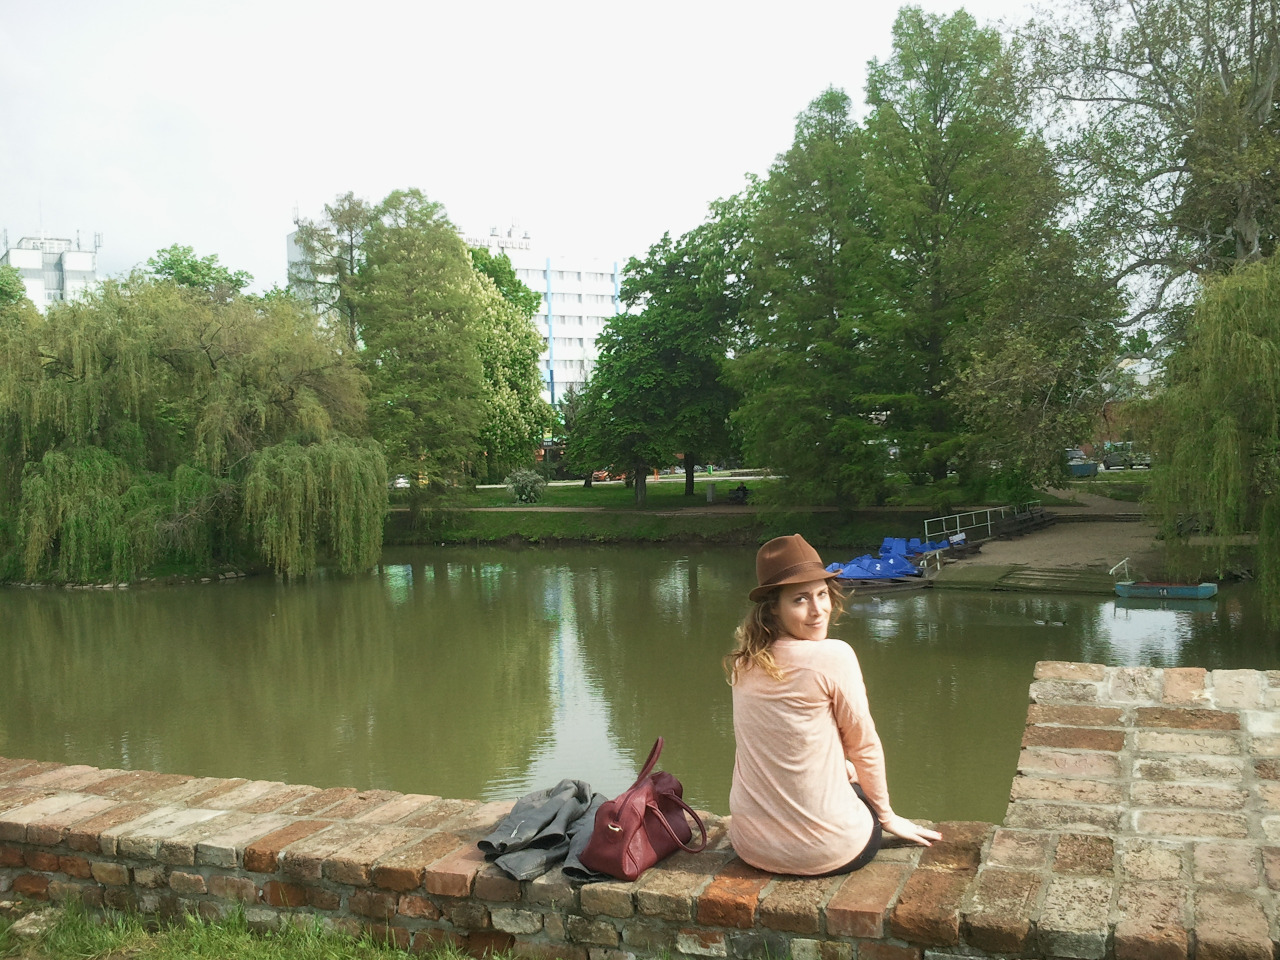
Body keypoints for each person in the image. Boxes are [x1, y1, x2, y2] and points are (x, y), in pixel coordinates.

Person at [725, 534, 941, 875]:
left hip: (751, 845)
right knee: (859, 789)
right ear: (773, 608)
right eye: (800, 599)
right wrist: (887, 817)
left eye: (822, 594)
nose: (818, 610)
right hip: (825, 851)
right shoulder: (833, 656)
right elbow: (864, 746)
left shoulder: (743, 662)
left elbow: (784, 741)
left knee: (847, 773)